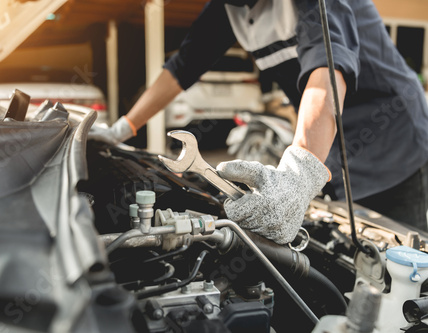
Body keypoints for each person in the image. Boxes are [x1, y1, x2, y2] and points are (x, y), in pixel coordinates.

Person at [91, 0, 428, 243]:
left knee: (397, 264)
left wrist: (297, 173)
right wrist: (123, 128)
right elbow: (182, 68)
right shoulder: (230, 8)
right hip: (333, 143)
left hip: (394, 139)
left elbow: (328, 69)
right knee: (348, 249)